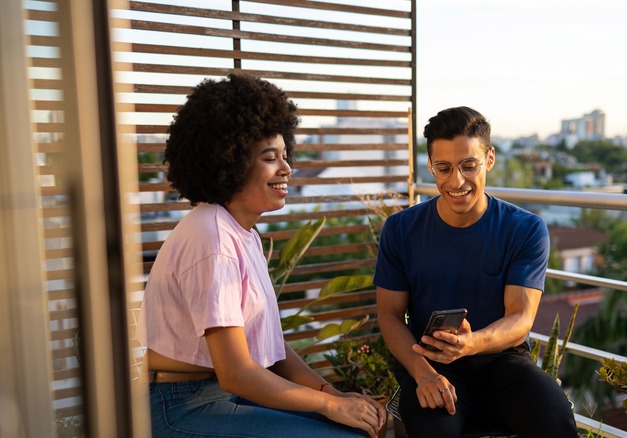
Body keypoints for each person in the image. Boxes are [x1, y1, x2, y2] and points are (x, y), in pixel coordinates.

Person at [138, 74, 385, 438]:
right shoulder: (212, 237)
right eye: (271, 158)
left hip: (223, 395)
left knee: (360, 428)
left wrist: (331, 393)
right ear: (231, 161)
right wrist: (331, 406)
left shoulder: (242, 234)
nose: (286, 168)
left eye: (286, 156)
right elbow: (237, 371)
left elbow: (272, 345)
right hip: (179, 407)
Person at [374, 106, 578, 437]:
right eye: (443, 168)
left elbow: (521, 319)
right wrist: (423, 374)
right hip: (432, 364)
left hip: (503, 361)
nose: (457, 181)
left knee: (556, 420)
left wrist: (470, 343)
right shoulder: (400, 229)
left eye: (469, 166)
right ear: (430, 166)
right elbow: (390, 317)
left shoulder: (525, 229)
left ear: (490, 159)